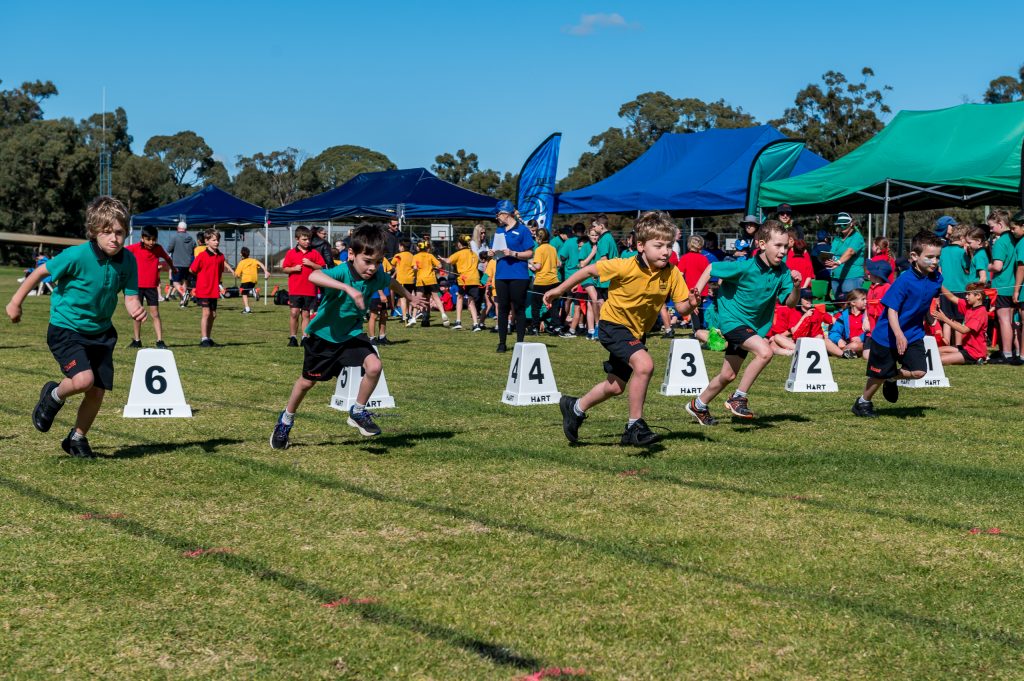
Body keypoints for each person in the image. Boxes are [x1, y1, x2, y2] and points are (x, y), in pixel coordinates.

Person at [6, 196, 146, 458]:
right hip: (66, 328)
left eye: (119, 232)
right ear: (94, 231)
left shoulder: (128, 261)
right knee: (83, 380)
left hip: (102, 332)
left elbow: (130, 296)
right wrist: (16, 302)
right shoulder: (76, 255)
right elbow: (39, 273)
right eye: (107, 232)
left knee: (97, 390)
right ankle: (53, 396)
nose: (114, 238)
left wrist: (134, 308)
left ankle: (77, 438)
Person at [544, 211, 697, 447]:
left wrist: (692, 303)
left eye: (669, 245)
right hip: (613, 325)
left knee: (615, 386)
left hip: (636, 333)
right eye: (659, 246)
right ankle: (634, 425)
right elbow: (587, 271)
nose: (666, 251)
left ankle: (574, 408)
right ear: (640, 246)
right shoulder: (624, 266)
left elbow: (682, 308)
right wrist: (558, 290)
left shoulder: (672, 273)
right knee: (644, 365)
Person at [271, 225, 416, 448]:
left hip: (352, 334)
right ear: (351, 254)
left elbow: (390, 281)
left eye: (377, 262)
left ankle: (357, 411)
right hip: (323, 337)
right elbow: (314, 275)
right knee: (307, 382)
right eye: (367, 261)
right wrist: (348, 289)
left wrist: (409, 296)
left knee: (374, 367)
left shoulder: (376, 276)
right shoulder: (343, 271)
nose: (372, 268)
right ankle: (285, 420)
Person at [685, 220, 801, 425]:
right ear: (762, 244)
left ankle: (698, 405)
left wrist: (796, 286)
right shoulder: (745, 266)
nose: (783, 251)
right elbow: (712, 267)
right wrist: (697, 292)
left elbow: (791, 303)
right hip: (732, 321)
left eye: (786, 246)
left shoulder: (783, 272)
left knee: (727, 375)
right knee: (765, 352)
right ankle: (738, 397)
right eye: (778, 245)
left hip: (751, 327)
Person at [852, 232, 944, 418]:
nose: (934, 262)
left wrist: (930, 317)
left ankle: (892, 378)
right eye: (929, 257)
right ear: (914, 257)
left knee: (919, 372)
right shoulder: (904, 281)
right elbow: (892, 311)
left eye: (937, 257)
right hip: (887, 336)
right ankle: (863, 402)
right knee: (878, 375)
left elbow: (928, 299)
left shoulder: (936, 279)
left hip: (914, 334)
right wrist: (899, 335)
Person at [489, 199, 535, 353]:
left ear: (505, 213)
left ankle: (520, 343)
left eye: (498, 214)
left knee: (519, 308)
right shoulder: (498, 231)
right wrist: (491, 253)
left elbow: (530, 252)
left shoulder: (522, 230)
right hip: (501, 274)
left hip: (519, 275)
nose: (496, 217)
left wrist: (513, 253)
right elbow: (494, 249)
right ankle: (501, 343)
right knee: (502, 308)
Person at [126, 225, 174, 348]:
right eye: (149, 239)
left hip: (151, 287)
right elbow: (122, 252)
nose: (151, 242)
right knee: (137, 314)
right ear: (142, 238)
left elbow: (167, 258)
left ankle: (159, 340)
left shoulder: (158, 249)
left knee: (155, 313)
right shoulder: (135, 248)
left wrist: (173, 269)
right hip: (137, 287)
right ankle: (137, 340)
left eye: (154, 239)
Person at [988, 211, 1024, 364]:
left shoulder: (1001, 242)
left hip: (1003, 286)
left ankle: (1007, 354)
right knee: (1014, 322)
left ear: (1000, 224)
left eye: (991, 226)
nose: (990, 230)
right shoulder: (1015, 239)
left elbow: (997, 266)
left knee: (1004, 321)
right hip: (1016, 286)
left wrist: (986, 266)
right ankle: (1016, 351)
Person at [190, 228, 234, 347]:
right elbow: (192, 269)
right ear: (206, 241)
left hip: (214, 290)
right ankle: (203, 339)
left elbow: (219, 272)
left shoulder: (220, 256)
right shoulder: (202, 256)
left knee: (213, 315)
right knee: (206, 313)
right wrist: (202, 278)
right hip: (204, 289)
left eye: (218, 240)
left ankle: (208, 338)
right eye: (214, 240)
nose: (216, 242)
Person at [282, 227, 326, 346]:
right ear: (297, 239)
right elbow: (285, 268)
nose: (307, 242)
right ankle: (292, 337)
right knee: (294, 313)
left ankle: (305, 337)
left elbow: (322, 267)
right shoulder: (291, 253)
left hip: (310, 289)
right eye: (304, 239)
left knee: (306, 314)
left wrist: (311, 264)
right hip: (295, 289)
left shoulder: (314, 253)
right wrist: (293, 269)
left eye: (309, 239)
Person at [933, 283, 989, 366]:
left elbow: (964, 330)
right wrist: (939, 283)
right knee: (935, 351)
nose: (966, 297)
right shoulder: (968, 306)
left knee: (938, 360)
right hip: (965, 348)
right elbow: (951, 297)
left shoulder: (981, 312)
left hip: (974, 353)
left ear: (978, 296)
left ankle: (979, 359)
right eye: (966, 294)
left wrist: (945, 319)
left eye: (969, 294)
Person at [937, 223, 970, 345]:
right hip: (960, 290)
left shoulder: (942, 251)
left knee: (946, 319)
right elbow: (967, 269)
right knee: (959, 319)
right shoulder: (962, 253)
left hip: (945, 290)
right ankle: (958, 345)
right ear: (962, 238)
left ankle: (946, 343)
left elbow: (939, 270)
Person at [442, 234, 482, 331]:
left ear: (460, 244)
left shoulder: (459, 253)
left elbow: (448, 261)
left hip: (464, 280)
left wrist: (442, 259)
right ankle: (476, 324)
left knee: (459, 298)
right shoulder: (473, 253)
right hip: (475, 279)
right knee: (471, 301)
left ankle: (458, 321)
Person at [824, 212, 866, 301]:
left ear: (851, 224)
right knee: (839, 304)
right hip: (836, 276)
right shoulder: (837, 237)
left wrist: (838, 262)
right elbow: (832, 253)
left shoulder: (857, 237)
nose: (842, 226)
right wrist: (826, 259)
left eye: (844, 224)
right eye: (840, 224)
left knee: (851, 304)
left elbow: (850, 251)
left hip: (852, 277)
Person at [528, 227, 560, 334]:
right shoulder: (553, 249)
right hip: (554, 280)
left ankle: (535, 327)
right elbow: (558, 263)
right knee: (554, 305)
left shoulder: (539, 250)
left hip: (541, 281)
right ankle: (556, 326)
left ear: (538, 238)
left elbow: (538, 266)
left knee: (535, 306)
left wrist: (530, 263)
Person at [411, 240, 449, 327]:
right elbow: (439, 266)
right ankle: (443, 314)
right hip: (431, 280)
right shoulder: (430, 256)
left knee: (419, 299)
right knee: (435, 298)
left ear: (418, 248)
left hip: (421, 281)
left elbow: (415, 268)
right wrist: (434, 266)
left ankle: (413, 318)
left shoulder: (415, 256)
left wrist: (416, 269)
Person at [825, 288, 869, 358]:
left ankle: (838, 352)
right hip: (847, 343)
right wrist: (839, 340)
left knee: (855, 345)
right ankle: (844, 354)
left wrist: (861, 338)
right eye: (863, 299)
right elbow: (834, 332)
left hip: (861, 344)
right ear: (853, 302)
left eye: (866, 299)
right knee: (825, 341)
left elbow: (872, 331)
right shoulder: (844, 316)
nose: (866, 302)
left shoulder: (867, 315)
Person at [167, 220, 196, 306]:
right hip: (188, 264)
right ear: (186, 229)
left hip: (177, 263)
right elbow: (194, 249)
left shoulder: (175, 237)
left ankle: (184, 295)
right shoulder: (191, 238)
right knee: (185, 282)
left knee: (175, 282)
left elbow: (169, 249)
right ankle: (183, 302)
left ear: (178, 228)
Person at [234, 246, 268, 314]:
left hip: (246, 279)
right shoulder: (253, 260)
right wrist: (265, 271)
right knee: (246, 292)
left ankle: (247, 309)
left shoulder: (241, 262)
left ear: (241, 254)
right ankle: (252, 292)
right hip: (254, 279)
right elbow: (260, 264)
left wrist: (236, 275)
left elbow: (236, 274)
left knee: (243, 293)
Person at [391, 239, 416, 322]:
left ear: (402, 246)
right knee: (408, 297)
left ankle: (404, 316)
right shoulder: (412, 256)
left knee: (402, 298)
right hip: (410, 279)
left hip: (401, 279)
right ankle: (408, 314)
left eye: (399, 246)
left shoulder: (398, 255)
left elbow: (392, 264)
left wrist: (397, 267)